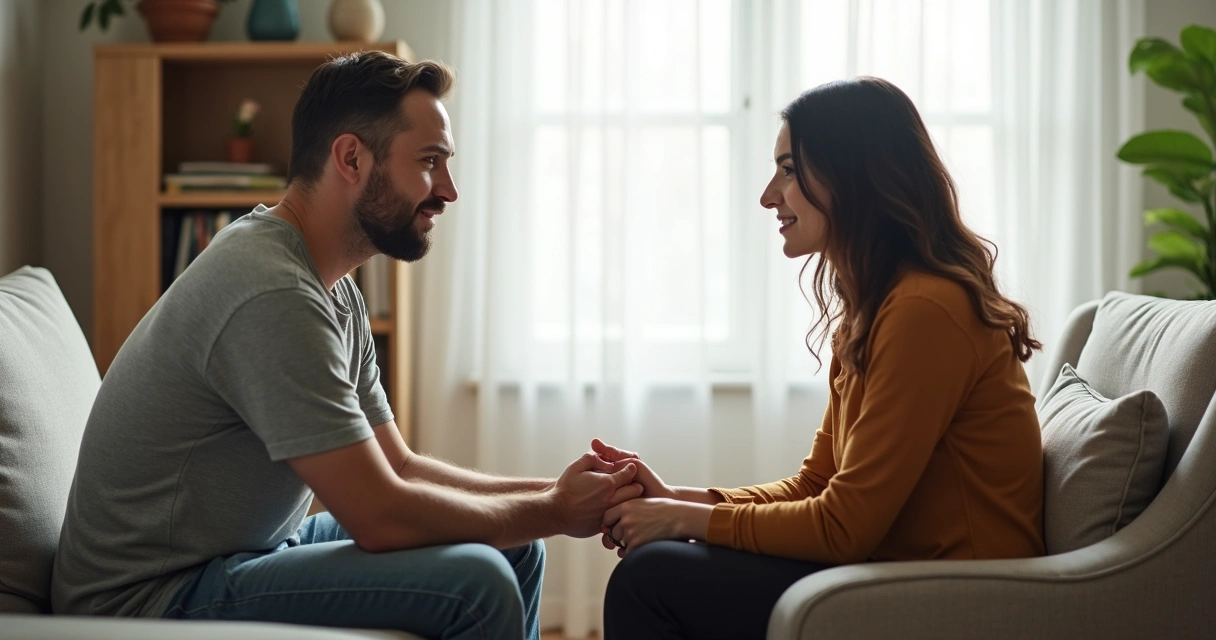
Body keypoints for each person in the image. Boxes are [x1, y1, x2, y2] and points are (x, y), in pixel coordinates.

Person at [52, 51, 642, 640]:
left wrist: (554, 494)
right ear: (351, 157)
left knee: (519, 552)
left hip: (249, 549)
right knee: (479, 580)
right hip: (154, 595)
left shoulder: (335, 292)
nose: (450, 190)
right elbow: (380, 515)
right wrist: (560, 511)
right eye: (430, 162)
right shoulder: (269, 289)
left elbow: (398, 466)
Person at [595, 77, 1046, 639]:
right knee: (656, 572)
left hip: (956, 594)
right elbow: (817, 484)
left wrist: (687, 521)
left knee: (652, 578)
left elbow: (842, 526)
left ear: (852, 176)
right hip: (891, 572)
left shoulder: (927, 310)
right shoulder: (875, 310)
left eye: (788, 169)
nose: (768, 194)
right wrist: (678, 498)